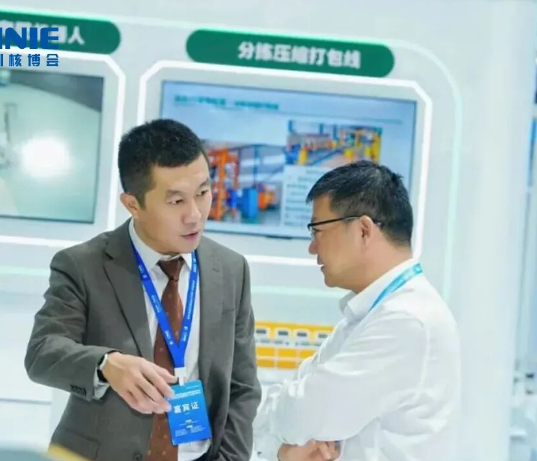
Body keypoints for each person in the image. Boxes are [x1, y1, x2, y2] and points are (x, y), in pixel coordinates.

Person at [25, 119, 261, 461]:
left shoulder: (230, 269)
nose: (195, 215)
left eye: (202, 193)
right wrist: (106, 364)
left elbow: (242, 386)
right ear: (133, 204)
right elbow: (43, 352)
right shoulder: (83, 265)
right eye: (176, 201)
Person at [253, 161, 461, 461]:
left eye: (317, 230)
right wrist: (283, 446)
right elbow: (298, 403)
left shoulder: (407, 320)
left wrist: (284, 436)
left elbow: (303, 413)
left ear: (363, 230)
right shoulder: (373, 312)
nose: (312, 248)